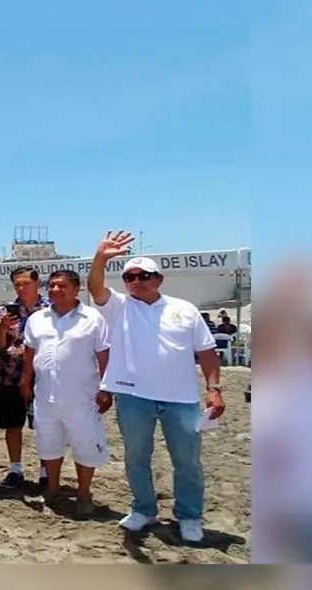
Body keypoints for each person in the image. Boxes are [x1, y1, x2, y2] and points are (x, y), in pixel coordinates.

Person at [87, 231, 224, 543]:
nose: (136, 281)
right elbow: (95, 288)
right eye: (129, 277)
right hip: (133, 397)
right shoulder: (119, 306)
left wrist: (214, 388)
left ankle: (189, 515)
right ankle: (143, 509)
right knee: (136, 457)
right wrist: (101, 257)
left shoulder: (184, 309)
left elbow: (206, 352)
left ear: (159, 279)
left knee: (187, 461)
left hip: (181, 398)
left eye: (143, 275)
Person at [20, 270, 111, 518]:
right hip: (45, 395)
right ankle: (52, 488)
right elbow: (29, 351)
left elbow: (104, 355)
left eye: (62, 286)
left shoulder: (92, 318)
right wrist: (26, 379)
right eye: (51, 286)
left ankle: (83, 494)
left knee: (85, 446)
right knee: (48, 445)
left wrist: (106, 388)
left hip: (82, 396)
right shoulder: (37, 319)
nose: (55, 290)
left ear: (76, 289)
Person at [0, 266, 50, 491]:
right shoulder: (6, 310)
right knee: (12, 425)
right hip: (9, 376)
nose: (22, 288)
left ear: (37, 283)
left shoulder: (51, 309)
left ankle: (46, 471)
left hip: (42, 377)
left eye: (26, 283)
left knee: (45, 426)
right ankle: (15, 469)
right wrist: (2, 327)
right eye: (17, 284)